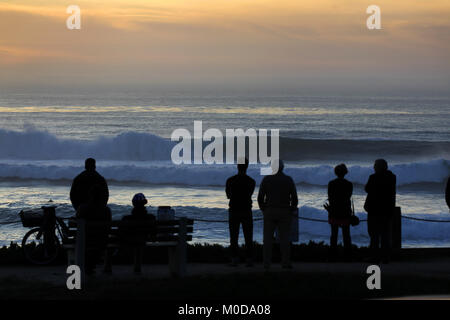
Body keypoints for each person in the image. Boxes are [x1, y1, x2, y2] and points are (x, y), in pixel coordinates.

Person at [258, 160, 298, 269]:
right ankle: (285, 263)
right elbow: (294, 198)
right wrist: (291, 210)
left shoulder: (266, 179)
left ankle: (266, 263)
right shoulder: (288, 180)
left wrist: (264, 209)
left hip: (270, 211)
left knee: (267, 239)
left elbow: (260, 197)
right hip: (284, 211)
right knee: (285, 239)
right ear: (283, 168)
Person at [364, 159, 396, 263]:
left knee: (374, 234)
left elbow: (367, 189)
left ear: (378, 167)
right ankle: (385, 257)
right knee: (385, 234)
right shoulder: (392, 177)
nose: (373, 167)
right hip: (387, 209)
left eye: (375, 166)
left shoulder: (373, 177)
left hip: (374, 209)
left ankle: (374, 256)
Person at [225, 158, 256, 266]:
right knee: (248, 236)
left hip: (234, 210)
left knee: (234, 236)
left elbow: (228, 196)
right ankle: (249, 260)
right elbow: (250, 194)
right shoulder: (251, 181)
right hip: (246, 210)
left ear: (237, 166)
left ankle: (234, 259)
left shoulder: (230, 180)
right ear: (247, 167)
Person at [76, 184, 112, 274]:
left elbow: (77, 222)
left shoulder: (82, 208)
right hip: (102, 240)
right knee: (98, 243)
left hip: (85, 240)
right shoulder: (106, 210)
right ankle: (93, 266)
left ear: (90, 195)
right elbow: (109, 226)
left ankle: (88, 267)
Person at [118, 193, 156, 274]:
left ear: (133, 203)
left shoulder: (126, 218)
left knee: (136, 241)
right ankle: (137, 268)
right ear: (145, 203)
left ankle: (107, 267)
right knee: (139, 241)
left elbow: (120, 232)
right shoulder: (151, 217)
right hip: (143, 239)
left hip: (129, 241)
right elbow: (154, 233)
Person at [326, 164, 353, 261]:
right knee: (346, 234)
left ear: (335, 172)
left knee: (334, 234)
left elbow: (330, 197)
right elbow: (348, 197)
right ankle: (348, 255)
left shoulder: (331, 183)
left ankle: (333, 255)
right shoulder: (349, 184)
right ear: (345, 172)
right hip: (345, 211)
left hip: (334, 211)